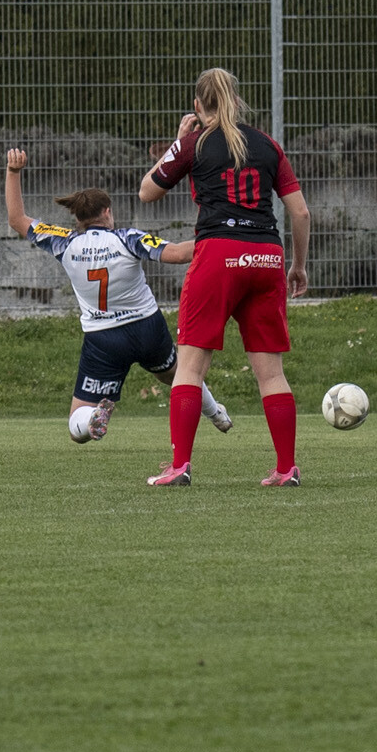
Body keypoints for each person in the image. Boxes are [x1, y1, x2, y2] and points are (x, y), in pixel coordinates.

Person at [138, 68, 311, 487]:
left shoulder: (194, 144)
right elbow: (301, 213)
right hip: (267, 256)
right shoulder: (267, 144)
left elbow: (147, 191)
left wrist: (179, 140)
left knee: (190, 367)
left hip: (218, 254)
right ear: (235, 100)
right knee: (271, 373)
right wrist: (298, 266)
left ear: (198, 106)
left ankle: (180, 466)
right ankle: (286, 469)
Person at [2, 148, 233, 445]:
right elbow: (177, 254)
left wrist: (13, 171)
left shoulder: (63, 242)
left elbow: (16, 219)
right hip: (147, 328)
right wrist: (219, 238)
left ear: (78, 218)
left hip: (103, 338)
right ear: (107, 212)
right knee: (178, 373)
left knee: (76, 425)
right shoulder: (127, 238)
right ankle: (216, 414)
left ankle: (92, 418)